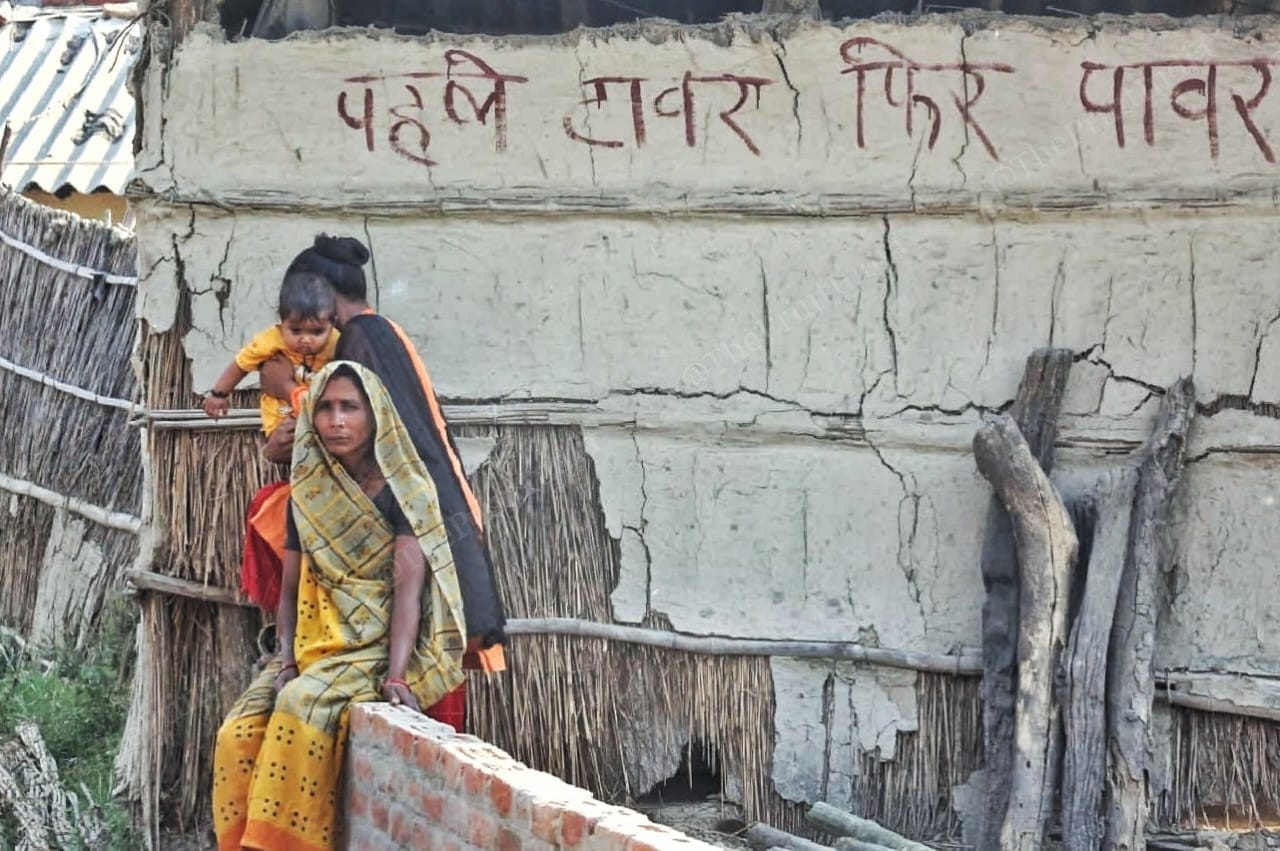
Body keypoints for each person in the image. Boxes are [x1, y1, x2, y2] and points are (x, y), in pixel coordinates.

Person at [212, 361, 466, 851]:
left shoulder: (404, 492)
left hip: (377, 643)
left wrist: (395, 676)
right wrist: (285, 658)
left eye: (349, 407)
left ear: (375, 417)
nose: (336, 421)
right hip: (315, 644)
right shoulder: (309, 494)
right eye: (325, 408)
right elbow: (289, 590)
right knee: (236, 732)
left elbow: (408, 593)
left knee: (300, 706)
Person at [260, 235, 506, 674]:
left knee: (271, 514)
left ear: (324, 298)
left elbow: (362, 430)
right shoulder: (380, 330)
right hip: (433, 501)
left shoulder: (359, 339)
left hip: (406, 511)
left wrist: (290, 408)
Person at [202, 271, 340, 437]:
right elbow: (241, 364)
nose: (306, 340)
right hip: (281, 418)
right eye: (296, 331)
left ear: (333, 323)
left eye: (317, 332)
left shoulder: (338, 343)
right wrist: (219, 394)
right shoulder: (271, 340)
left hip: (322, 416)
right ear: (282, 323)